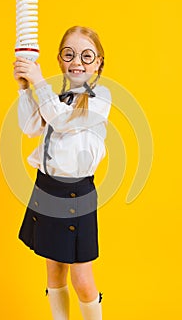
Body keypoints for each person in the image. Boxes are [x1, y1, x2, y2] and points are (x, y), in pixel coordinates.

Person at [13, 25, 111, 320]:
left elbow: (65, 122)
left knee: (81, 280)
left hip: (76, 194)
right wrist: (24, 87)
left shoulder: (100, 97)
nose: (76, 61)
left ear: (98, 62)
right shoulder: (54, 96)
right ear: (59, 59)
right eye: (69, 54)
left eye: (86, 55)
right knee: (54, 272)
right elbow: (30, 127)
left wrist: (39, 81)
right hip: (46, 188)